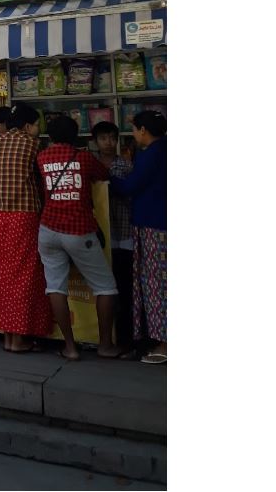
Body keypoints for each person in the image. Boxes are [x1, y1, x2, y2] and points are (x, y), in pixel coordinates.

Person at [35, 116, 120, 361]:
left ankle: (70, 347)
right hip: (79, 230)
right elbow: (103, 174)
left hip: (48, 230)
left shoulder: (41, 158)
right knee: (106, 287)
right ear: (76, 136)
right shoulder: (84, 158)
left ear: (50, 137)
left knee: (55, 287)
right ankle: (105, 345)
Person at [0, 103, 54, 353]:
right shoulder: (34, 144)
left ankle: (8, 337)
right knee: (24, 275)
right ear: (27, 126)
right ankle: (19, 339)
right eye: (36, 125)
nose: (38, 129)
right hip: (24, 215)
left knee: (3, 275)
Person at [108, 111, 167, 365]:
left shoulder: (152, 154)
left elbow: (130, 186)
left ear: (143, 130)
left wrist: (108, 178)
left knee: (157, 285)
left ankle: (164, 343)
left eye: (134, 130)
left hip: (154, 226)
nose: (133, 134)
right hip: (159, 223)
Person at [92, 120, 136, 358]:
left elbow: (132, 194)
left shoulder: (126, 165)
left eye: (112, 138)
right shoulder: (89, 163)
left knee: (123, 284)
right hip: (97, 233)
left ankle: (125, 336)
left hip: (123, 231)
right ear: (95, 142)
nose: (108, 143)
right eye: (103, 138)